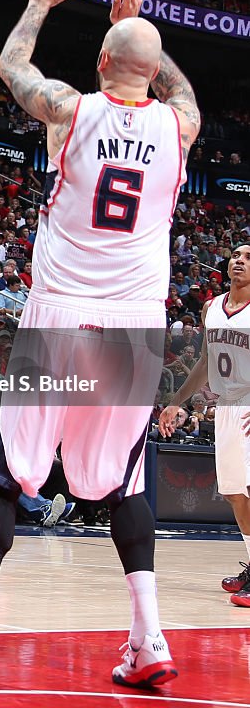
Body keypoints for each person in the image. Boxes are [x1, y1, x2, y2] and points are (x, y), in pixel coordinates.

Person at [0, 0, 200, 688]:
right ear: (148, 71)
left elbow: (10, 63)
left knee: (8, 475)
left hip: (59, 315)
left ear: (100, 62)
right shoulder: (181, 126)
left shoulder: (71, 109)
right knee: (122, 486)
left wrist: (40, 2)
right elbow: (178, 87)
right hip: (133, 323)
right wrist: (140, 28)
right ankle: (148, 640)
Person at [159, 243, 250, 607]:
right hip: (228, 407)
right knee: (233, 492)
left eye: (249, 258)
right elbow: (205, 363)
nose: (240, 261)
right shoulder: (212, 306)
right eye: (237, 256)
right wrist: (175, 402)